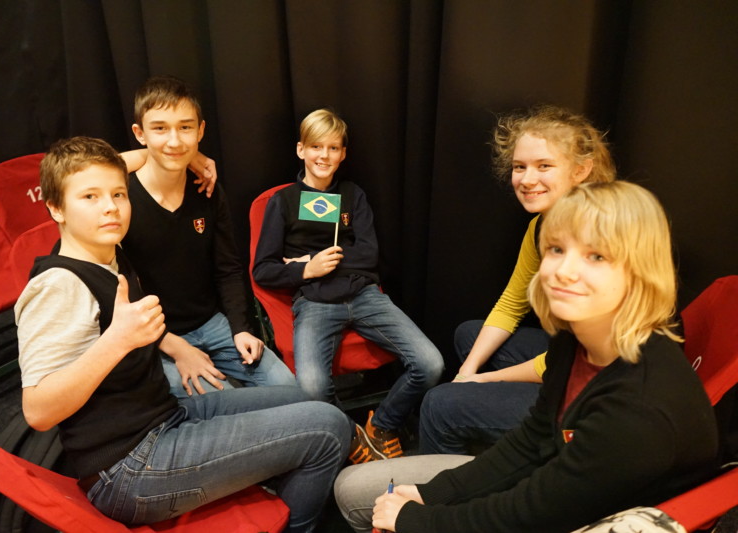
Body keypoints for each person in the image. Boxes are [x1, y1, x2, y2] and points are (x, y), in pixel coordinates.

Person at [333, 180, 719, 533]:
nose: (564, 271)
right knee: (352, 488)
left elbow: (531, 515)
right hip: (556, 487)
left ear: (640, 272)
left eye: (596, 256)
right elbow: (533, 440)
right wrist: (432, 493)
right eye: (556, 249)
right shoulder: (574, 339)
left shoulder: (638, 409)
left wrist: (418, 520)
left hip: (595, 521)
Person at [16, 136, 351, 533]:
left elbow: (121, 165)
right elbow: (38, 411)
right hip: (129, 467)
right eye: (89, 197)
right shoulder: (58, 285)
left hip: (165, 417)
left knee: (306, 398)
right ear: (56, 208)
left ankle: (275, 484)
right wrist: (117, 341)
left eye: (119, 194)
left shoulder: (105, 249)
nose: (110, 207)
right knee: (329, 427)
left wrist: (189, 156)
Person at [419, 105, 616, 455]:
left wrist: (481, 380)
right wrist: (467, 370)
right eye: (519, 166)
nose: (526, 179)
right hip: (570, 356)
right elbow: (512, 303)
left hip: (602, 389)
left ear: (581, 170)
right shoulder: (541, 225)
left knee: (440, 404)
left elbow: (570, 360)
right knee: (469, 335)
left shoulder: (599, 235)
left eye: (544, 166)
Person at [253, 108, 444, 463]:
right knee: (311, 388)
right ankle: (350, 433)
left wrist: (312, 258)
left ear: (343, 153)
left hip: (364, 295)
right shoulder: (282, 202)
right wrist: (307, 270)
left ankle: (382, 424)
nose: (324, 156)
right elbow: (263, 270)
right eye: (316, 147)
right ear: (301, 150)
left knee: (430, 364)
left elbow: (369, 254)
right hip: (314, 302)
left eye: (333, 148)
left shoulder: (353, 195)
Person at [120, 75, 296, 398]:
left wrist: (241, 328)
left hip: (213, 323)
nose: (174, 140)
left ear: (200, 131)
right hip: (157, 337)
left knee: (290, 389)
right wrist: (174, 347)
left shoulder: (207, 189)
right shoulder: (120, 199)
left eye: (185, 127)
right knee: (225, 403)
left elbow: (227, 268)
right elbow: (121, 294)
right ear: (139, 133)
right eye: (160, 128)